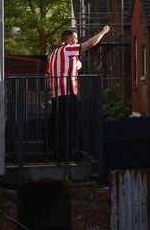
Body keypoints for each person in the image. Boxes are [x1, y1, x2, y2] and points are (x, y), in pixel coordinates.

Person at [47, 25, 110, 163]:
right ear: (69, 40)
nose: (77, 42)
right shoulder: (69, 49)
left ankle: (58, 155)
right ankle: (67, 157)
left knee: (59, 126)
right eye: (75, 39)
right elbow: (89, 44)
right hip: (68, 93)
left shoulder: (53, 54)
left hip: (56, 95)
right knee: (71, 125)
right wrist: (103, 32)